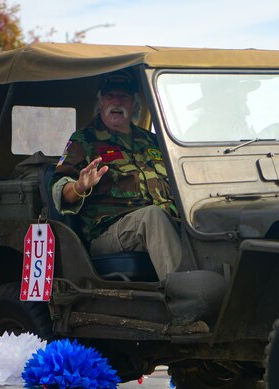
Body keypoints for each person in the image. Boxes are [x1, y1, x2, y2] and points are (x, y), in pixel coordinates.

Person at [51, 70, 182, 281]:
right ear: (101, 102)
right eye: (110, 96)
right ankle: (183, 297)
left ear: (134, 104)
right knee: (152, 216)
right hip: (108, 232)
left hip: (164, 223)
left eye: (124, 96)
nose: (117, 102)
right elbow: (59, 191)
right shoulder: (84, 140)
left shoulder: (153, 141)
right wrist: (79, 186)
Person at [183, 78, 279, 141]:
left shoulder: (231, 132)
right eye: (238, 103)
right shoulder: (201, 137)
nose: (246, 111)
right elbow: (256, 142)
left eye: (243, 102)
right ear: (218, 107)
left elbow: (258, 140)